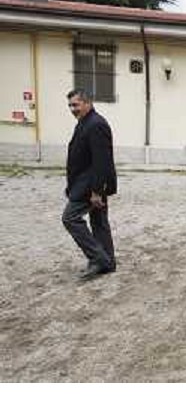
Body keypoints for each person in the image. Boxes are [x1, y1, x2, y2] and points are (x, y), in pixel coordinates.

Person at [62, 89, 117, 280]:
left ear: (87, 103)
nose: (72, 109)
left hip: (90, 186)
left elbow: (101, 161)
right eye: (70, 105)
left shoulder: (96, 125)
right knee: (99, 221)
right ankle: (107, 262)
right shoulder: (85, 123)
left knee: (70, 218)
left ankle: (99, 258)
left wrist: (96, 192)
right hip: (86, 184)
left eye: (75, 105)